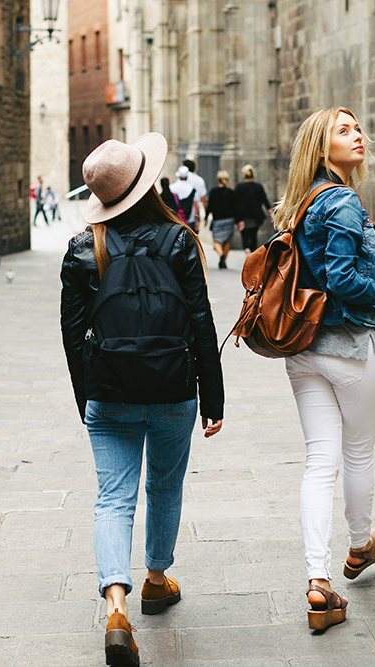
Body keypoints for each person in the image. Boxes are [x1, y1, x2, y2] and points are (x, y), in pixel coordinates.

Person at [61, 133, 224, 665]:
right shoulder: (179, 240)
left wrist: (88, 398)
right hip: (174, 387)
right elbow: (201, 323)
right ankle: (156, 579)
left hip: (109, 390)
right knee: (165, 485)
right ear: (149, 183)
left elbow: (71, 333)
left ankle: (115, 609)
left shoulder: (85, 246)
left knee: (113, 498)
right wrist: (212, 399)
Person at [272, 107, 375, 631]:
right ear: (319, 148)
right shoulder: (340, 202)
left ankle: (319, 583)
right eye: (344, 130)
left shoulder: (301, 201)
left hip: (303, 348)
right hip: (352, 347)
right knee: (357, 453)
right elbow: (342, 280)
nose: (358, 135)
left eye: (359, 127)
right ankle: (360, 545)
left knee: (319, 462)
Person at [205, 170, 239, 269]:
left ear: (217, 179)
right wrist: (237, 220)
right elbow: (235, 207)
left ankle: (220, 254)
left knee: (216, 241)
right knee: (227, 240)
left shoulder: (213, 192)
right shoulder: (231, 193)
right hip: (229, 220)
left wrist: (206, 217)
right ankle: (224, 261)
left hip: (217, 220)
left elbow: (209, 206)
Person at [235, 164, 270, 253]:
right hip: (256, 216)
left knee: (245, 236)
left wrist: (238, 219)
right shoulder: (258, 186)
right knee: (254, 236)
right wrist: (271, 212)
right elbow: (264, 200)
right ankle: (253, 253)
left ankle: (247, 250)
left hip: (243, 217)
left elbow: (236, 204)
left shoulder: (239, 187)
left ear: (244, 175)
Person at [169, 165, 198, 231]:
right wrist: (197, 221)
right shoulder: (192, 189)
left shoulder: (172, 188)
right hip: (189, 220)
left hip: (175, 220)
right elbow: (195, 205)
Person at [182, 158, 208, 229]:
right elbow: (203, 199)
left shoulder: (181, 180)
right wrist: (206, 215)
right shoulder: (199, 180)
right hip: (194, 215)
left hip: (181, 215)